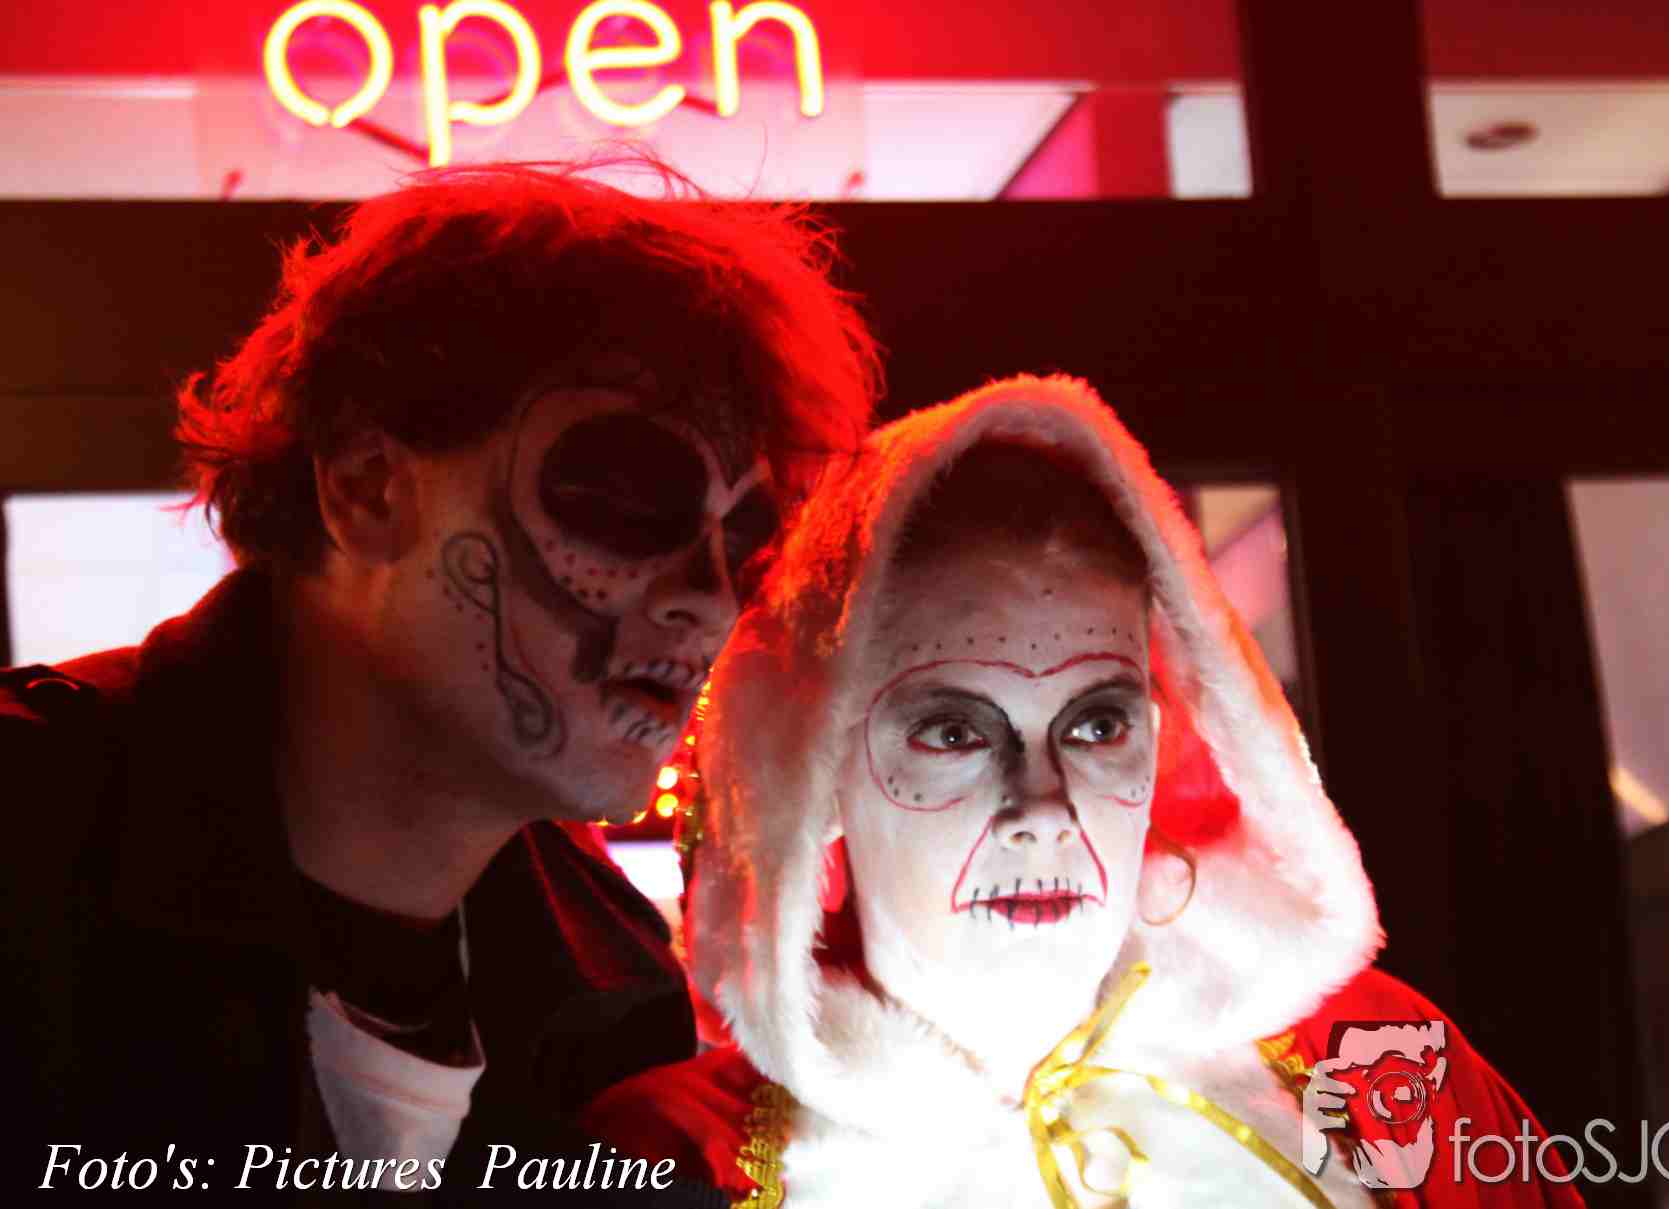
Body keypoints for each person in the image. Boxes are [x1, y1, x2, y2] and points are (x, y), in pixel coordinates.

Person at [1, 161, 879, 1200]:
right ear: (365, 485)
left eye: (747, 539)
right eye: (621, 498)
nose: (711, 599)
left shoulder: (613, 987)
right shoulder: (33, 838)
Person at [583, 375, 1587, 1207]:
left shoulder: (1376, 1068)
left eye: (1097, 724)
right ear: (816, 775)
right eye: (954, 731)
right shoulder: (673, 1162)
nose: (1044, 808)